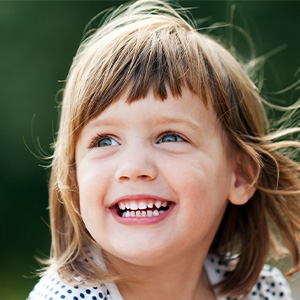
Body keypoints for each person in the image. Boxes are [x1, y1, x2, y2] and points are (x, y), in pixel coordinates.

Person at [27, 0, 300, 299]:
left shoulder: (262, 292)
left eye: (170, 137)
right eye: (104, 141)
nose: (133, 168)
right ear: (74, 178)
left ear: (239, 177)